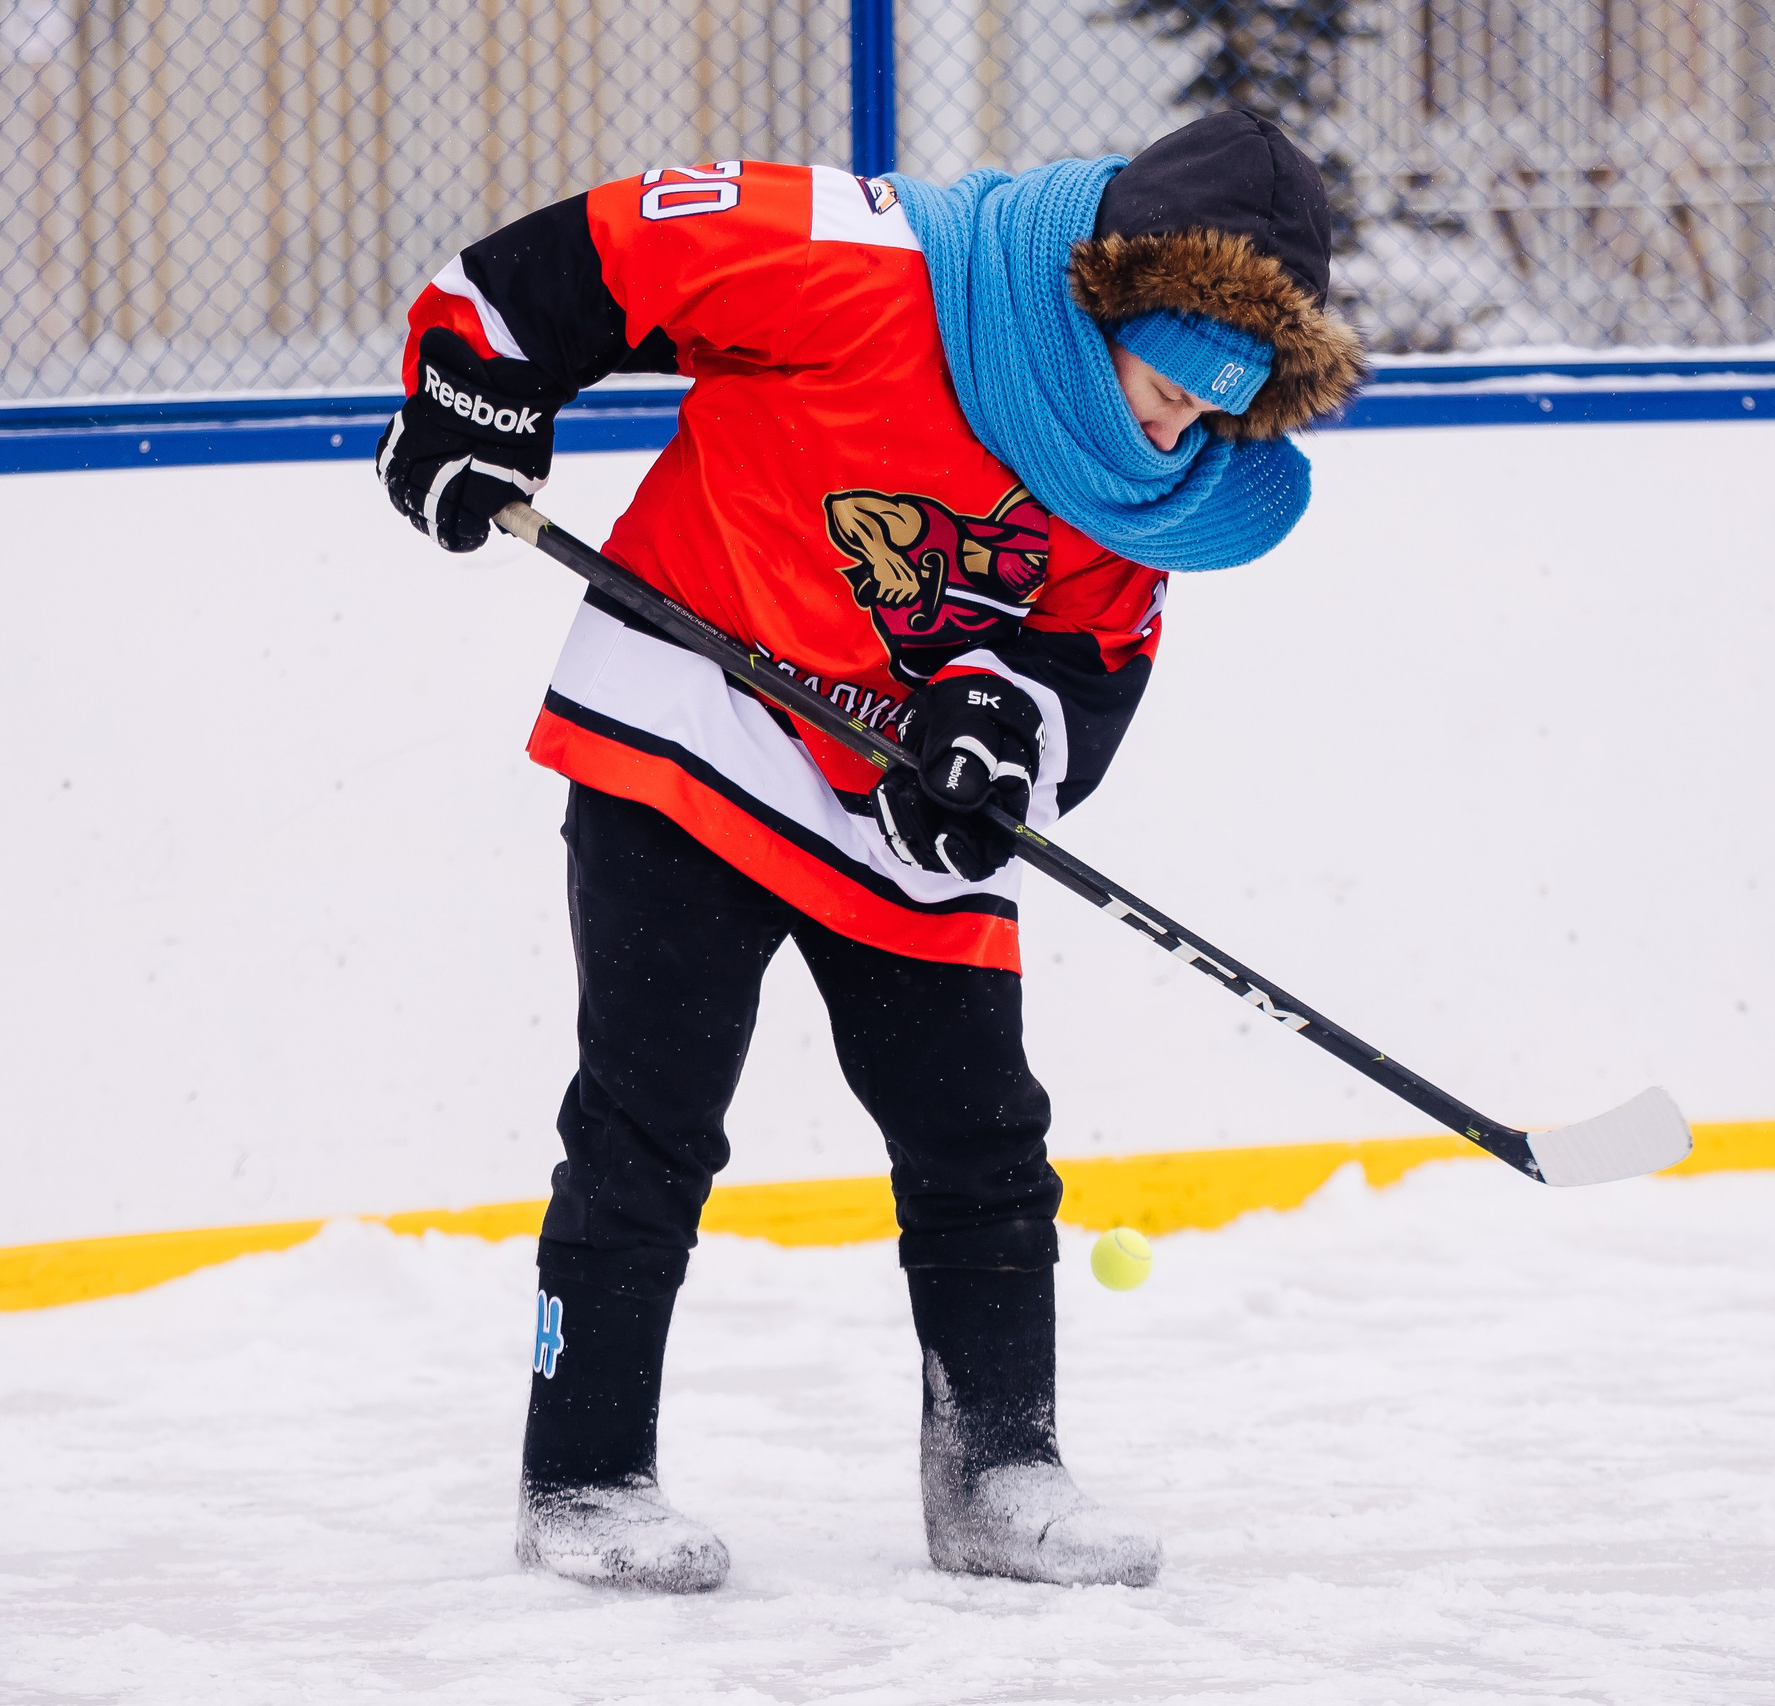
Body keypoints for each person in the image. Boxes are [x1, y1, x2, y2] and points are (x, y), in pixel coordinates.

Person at [376, 111, 1366, 1593]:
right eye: (1163, 392)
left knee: (982, 1132)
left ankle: (999, 1469)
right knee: (648, 1115)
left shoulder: (1156, 487)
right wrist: (474, 394)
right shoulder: (873, 267)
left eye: (1208, 424)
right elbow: (581, 258)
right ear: (1105, 305)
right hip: (692, 709)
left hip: (891, 778)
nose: (1171, 438)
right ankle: (582, 1473)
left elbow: (1088, 663)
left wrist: (996, 736)